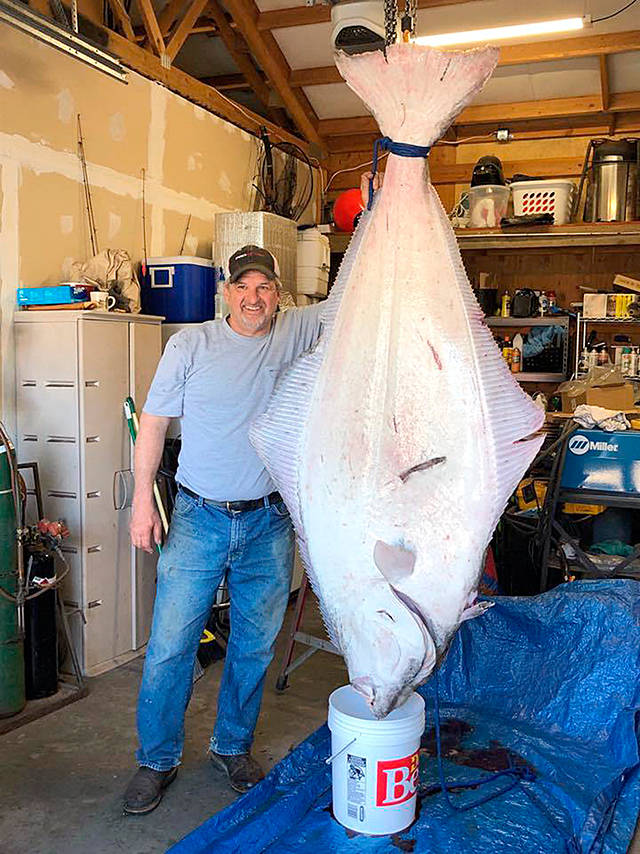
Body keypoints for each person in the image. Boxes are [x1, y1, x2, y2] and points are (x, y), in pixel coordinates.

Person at [123, 245, 324, 815]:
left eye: (264, 287)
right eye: (243, 286)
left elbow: (358, 296)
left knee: (255, 644)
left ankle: (232, 746)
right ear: (225, 293)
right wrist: (142, 502)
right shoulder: (190, 344)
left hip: (269, 520)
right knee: (171, 645)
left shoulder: (294, 330)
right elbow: (154, 423)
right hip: (198, 517)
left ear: (279, 293)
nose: (253, 298)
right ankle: (156, 758)